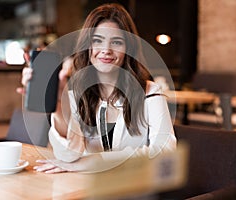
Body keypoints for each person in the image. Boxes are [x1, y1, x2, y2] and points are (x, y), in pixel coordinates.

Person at [24, 3, 177, 173]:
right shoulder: (77, 93)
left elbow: (165, 152)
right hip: (85, 190)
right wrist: (59, 107)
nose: (106, 50)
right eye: (97, 41)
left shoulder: (150, 93)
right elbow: (67, 157)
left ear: (128, 49)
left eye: (117, 42)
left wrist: (96, 162)